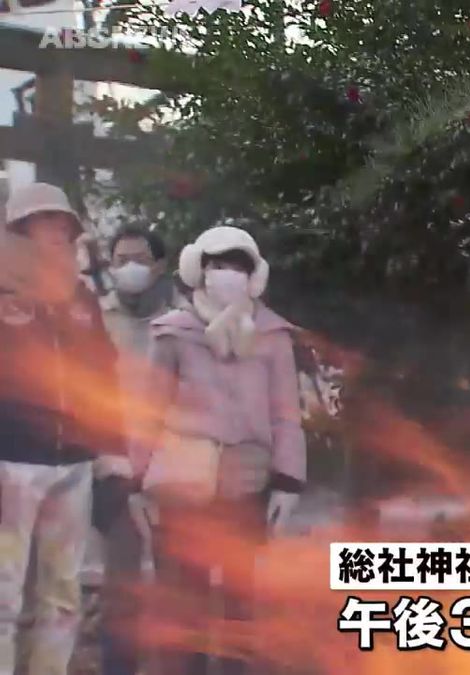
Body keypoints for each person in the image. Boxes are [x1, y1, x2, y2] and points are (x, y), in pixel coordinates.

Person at [129, 225, 305, 675]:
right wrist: (135, 481)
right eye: (218, 265)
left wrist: (288, 483)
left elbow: (285, 414)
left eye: (236, 267)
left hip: (247, 483)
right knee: (183, 607)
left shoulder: (272, 335)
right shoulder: (173, 332)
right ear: (200, 270)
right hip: (182, 484)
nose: (226, 275)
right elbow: (150, 409)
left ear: (253, 277)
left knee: (238, 608)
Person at [0, 183, 128, 675]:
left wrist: (113, 457)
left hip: (73, 466)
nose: (59, 233)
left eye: (65, 226)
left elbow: (105, 377)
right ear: (19, 231)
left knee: (63, 596)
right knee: (5, 596)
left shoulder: (82, 299)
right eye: (46, 223)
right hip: (10, 464)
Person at [94, 225, 186, 675]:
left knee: (175, 586)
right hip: (116, 469)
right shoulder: (94, 319)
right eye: (120, 259)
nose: (128, 267)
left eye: (138, 258)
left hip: (172, 471)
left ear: (159, 266)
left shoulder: (184, 324)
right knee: (123, 586)